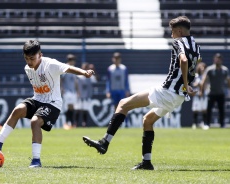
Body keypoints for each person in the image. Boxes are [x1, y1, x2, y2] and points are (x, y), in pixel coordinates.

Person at [82, 16, 200, 170]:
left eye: (172, 32)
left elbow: (183, 61)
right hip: (178, 97)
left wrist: (185, 84)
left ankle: (104, 142)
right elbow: (192, 67)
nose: (171, 35)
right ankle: (146, 162)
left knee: (123, 104)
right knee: (148, 121)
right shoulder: (196, 46)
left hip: (168, 92)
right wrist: (187, 86)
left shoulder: (179, 42)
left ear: (179, 31)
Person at [0, 40, 95, 168]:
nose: (29, 62)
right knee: (17, 110)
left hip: (53, 103)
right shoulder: (27, 68)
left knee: (35, 122)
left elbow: (67, 68)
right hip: (37, 99)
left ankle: (36, 160)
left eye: (32, 58)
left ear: (40, 55)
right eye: (26, 58)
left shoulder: (50, 64)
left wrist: (84, 73)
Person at [200, 53, 230, 129]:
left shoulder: (225, 70)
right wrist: (201, 90)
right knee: (209, 109)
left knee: (221, 110)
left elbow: (228, 80)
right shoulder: (210, 69)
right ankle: (207, 124)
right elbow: (204, 80)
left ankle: (222, 124)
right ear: (214, 59)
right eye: (216, 59)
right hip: (211, 92)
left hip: (221, 93)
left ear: (221, 60)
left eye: (219, 59)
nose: (218, 60)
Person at [106, 52, 130, 127]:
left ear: (120, 59)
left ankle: (126, 123)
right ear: (113, 59)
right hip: (114, 90)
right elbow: (108, 81)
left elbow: (126, 80)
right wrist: (108, 91)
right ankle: (117, 124)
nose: (116, 60)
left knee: (124, 107)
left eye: (118, 59)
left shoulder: (124, 68)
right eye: (115, 58)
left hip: (122, 90)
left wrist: (127, 90)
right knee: (116, 108)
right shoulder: (110, 69)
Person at [76, 62, 97, 127]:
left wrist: (94, 71)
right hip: (79, 96)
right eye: (84, 67)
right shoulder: (79, 76)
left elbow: (95, 82)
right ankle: (76, 123)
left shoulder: (91, 77)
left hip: (87, 96)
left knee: (85, 110)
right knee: (78, 109)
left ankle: (84, 123)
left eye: (86, 67)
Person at [61, 54, 78, 129]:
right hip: (67, 90)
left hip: (73, 91)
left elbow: (75, 81)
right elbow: (61, 79)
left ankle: (71, 122)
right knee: (68, 107)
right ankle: (67, 122)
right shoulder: (65, 68)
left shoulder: (74, 68)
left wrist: (77, 90)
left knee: (72, 107)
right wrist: (62, 89)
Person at [191, 62, 208, 129]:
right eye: (201, 67)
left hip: (205, 94)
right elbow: (194, 84)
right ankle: (194, 124)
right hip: (197, 94)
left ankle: (204, 123)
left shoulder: (206, 76)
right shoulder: (196, 76)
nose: (202, 69)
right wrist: (198, 84)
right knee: (196, 109)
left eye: (203, 67)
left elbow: (207, 84)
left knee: (204, 109)